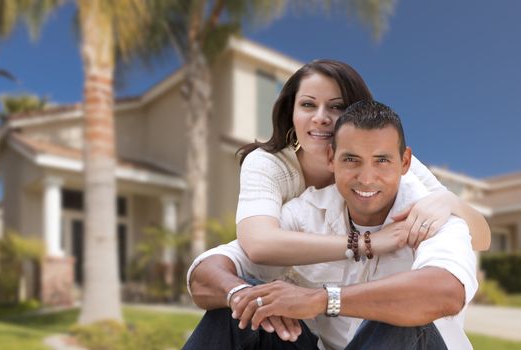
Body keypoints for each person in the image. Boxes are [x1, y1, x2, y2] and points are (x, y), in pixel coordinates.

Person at [185, 100, 477, 349]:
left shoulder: (432, 215)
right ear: (331, 159)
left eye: (382, 161)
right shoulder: (306, 213)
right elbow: (206, 273)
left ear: (405, 162)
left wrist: (322, 300)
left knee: (405, 317)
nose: (366, 177)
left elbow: (446, 292)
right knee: (238, 313)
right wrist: (239, 295)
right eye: (351, 159)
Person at [234, 59, 490, 269]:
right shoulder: (269, 166)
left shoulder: (389, 162)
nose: (320, 118)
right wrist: (369, 242)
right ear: (291, 112)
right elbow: (258, 244)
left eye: (336, 107)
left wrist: (450, 202)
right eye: (308, 105)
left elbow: (481, 239)